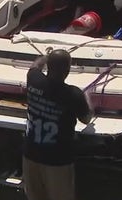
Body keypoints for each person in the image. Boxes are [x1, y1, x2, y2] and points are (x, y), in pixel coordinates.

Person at [22, 49, 92, 200]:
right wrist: (87, 97)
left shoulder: (34, 79)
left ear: (48, 66)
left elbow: (35, 65)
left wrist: (46, 56)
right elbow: (86, 118)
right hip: (57, 161)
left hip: (30, 155)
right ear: (67, 70)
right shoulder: (73, 94)